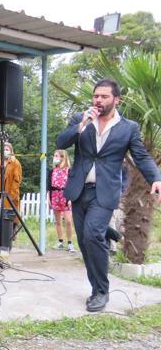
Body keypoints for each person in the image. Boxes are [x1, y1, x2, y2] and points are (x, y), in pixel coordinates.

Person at [56, 78, 161, 312]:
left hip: (104, 192)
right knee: (85, 242)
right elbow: (60, 142)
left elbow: (141, 157)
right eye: (96, 96)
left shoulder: (128, 128)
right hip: (79, 190)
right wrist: (81, 125)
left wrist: (156, 178)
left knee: (92, 235)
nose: (98, 100)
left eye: (104, 96)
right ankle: (105, 232)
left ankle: (100, 291)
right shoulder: (81, 119)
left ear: (116, 99)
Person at [0, 141, 22, 237]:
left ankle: (9, 238)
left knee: (8, 217)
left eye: (7, 149)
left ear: (11, 151)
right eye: (4, 149)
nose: (5, 151)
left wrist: (12, 195)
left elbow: (17, 180)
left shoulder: (15, 163)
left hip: (10, 194)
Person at [48, 149, 76, 253]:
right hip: (55, 195)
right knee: (58, 220)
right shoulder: (52, 171)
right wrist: (49, 198)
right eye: (54, 156)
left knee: (68, 221)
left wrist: (70, 198)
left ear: (63, 157)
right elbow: (49, 186)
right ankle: (60, 241)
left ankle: (70, 243)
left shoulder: (69, 170)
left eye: (57, 156)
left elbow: (72, 185)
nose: (55, 158)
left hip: (65, 195)